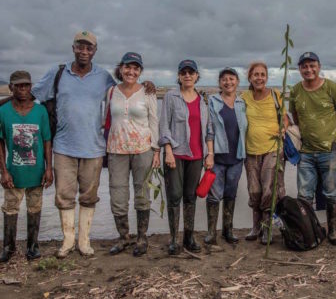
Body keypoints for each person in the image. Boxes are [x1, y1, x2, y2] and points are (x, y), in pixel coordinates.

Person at [31, 31, 116, 258]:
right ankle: (67, 241)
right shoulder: (58, 73)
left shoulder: (104, 77)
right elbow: (34, 98)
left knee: (89, 196)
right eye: (81, 47)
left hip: (94, 147)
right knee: (63, 195)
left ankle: (84, 241)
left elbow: (122, 95)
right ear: (73, 48)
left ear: (95, 51)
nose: (84, 52)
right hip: (63, 147)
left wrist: (146, 86)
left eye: (89, 48)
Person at [289, 52, 336, 245]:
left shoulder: (332, 87)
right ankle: (310, 230)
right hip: (305, 152)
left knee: (332, 193)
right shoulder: (296, 90)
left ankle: (333, 232)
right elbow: (295, 116)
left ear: (319, 66)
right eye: (304, 66)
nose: (308, 69)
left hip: (330, 151)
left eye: (312, 65)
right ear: (299, 69)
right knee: (304, 194)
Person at [106, 52, 160, 257]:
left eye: (136, 68)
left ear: (140, 71)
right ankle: (123, 237)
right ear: (121, 69)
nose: (131, 71)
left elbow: (154, 121)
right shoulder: (111, 91)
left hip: (142, 150)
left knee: (142, 193)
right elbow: (106, 119)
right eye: (127, 67)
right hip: (116, 150)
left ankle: (142, 237)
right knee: (118, 194)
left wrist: (156, 151)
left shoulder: (148, 92)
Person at [159, 59, 214, 255]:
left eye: (191, 72)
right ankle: (174, 240)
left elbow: (208, 130)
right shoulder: (170, 97)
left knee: (190, 197)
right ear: (179, 76)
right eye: (184, 72)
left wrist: (210, 154)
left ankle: (189, 237)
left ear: (197, 76)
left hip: (197, 156)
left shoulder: (203, 100)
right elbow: (164, 126)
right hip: (176, 154)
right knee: (174, 196)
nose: (188, 75)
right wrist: (168, 151)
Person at [0, 71, 53, 262]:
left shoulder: (40, 112)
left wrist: (49, 168)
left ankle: (32, 246)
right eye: (18, 86)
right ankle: (8, 247)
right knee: (10, 207)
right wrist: (3, 171)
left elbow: (47, 140)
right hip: (14, 172)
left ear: (31, 87)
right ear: (11, 88)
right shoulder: (3, 112)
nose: (23, 89)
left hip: (37, 172)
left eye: (26, 85)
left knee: (35, 207)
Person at [242, 62, 288, 244]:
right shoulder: (244, 97)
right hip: (251, 150)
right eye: (256, 75)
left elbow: (285, 119)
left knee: (269, 190)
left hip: (273, 149)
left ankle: (267, 229)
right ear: (250, 78)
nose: (259, 78)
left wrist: (283, 129)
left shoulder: (276, 95)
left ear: (266, 77)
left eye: (262, 74)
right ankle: (256, 226)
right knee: (254, 190)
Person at [205, 67, 247, 245]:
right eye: (224, 79)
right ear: (219, 83)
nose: (228, 82)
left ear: (237, 81)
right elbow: (209, 130)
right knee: (214, 195)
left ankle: (228, 230)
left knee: (231, 194)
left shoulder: (242, 103)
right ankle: (211, 233)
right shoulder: (212, 101)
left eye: (231, 78)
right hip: (217, 158)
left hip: (237, 157)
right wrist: (210, 154)